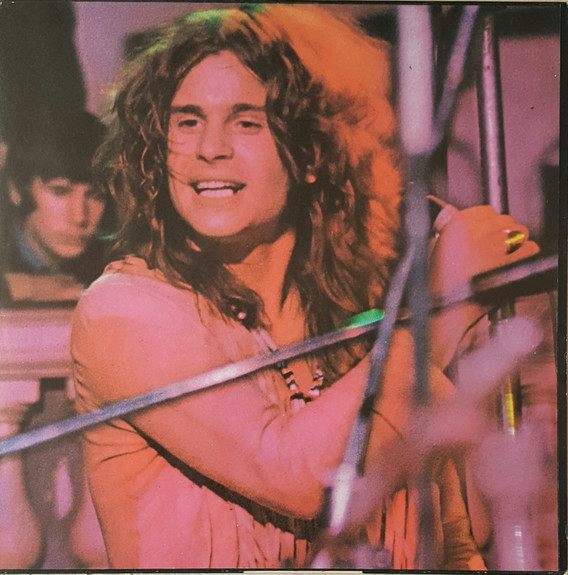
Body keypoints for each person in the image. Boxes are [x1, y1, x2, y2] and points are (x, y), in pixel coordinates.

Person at [70, 5, 539, 569]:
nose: (209, 148)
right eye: (186, 121)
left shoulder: (367, 314)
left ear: (311, 152)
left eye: (247, 122)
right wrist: (441, 305)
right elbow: (300, 475)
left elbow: (456, 543)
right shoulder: (126, 312)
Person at [0, 110, 112, 303]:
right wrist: (28, 287)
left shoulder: (111, 265)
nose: (79, 217)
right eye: (60, 191)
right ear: (16, 190)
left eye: (95, 195)